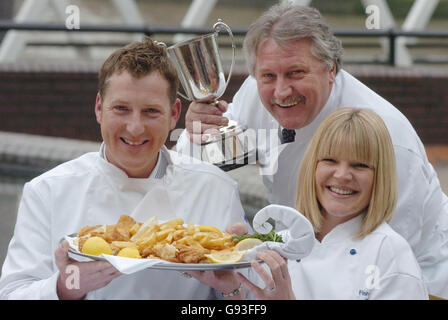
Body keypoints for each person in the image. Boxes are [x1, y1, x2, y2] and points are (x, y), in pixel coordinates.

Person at [176, 3, 448, 298]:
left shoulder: (389, 139)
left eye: (296, 73)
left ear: (331, 68)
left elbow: (388, 255)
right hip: (301, 257)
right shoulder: (257, 94)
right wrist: (197, 132)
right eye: (268, 76)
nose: (281, 92)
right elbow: (202, 165)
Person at [0, 38, 247, 299]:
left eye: (151, 111)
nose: (135, 128)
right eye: (121, 109)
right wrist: (67, 286)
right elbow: (12, 293)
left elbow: (252, 301)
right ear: (99, 108)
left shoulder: (216, 189)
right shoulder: (47, 191)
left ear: (174, 114)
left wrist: (232, 288)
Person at [191, 107, 428, 300]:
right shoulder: (281, 243)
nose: (342, 175)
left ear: (380, 176)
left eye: (360, 165)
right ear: (312, 167)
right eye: (330, 160)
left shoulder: (391, 257)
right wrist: (231, 288)